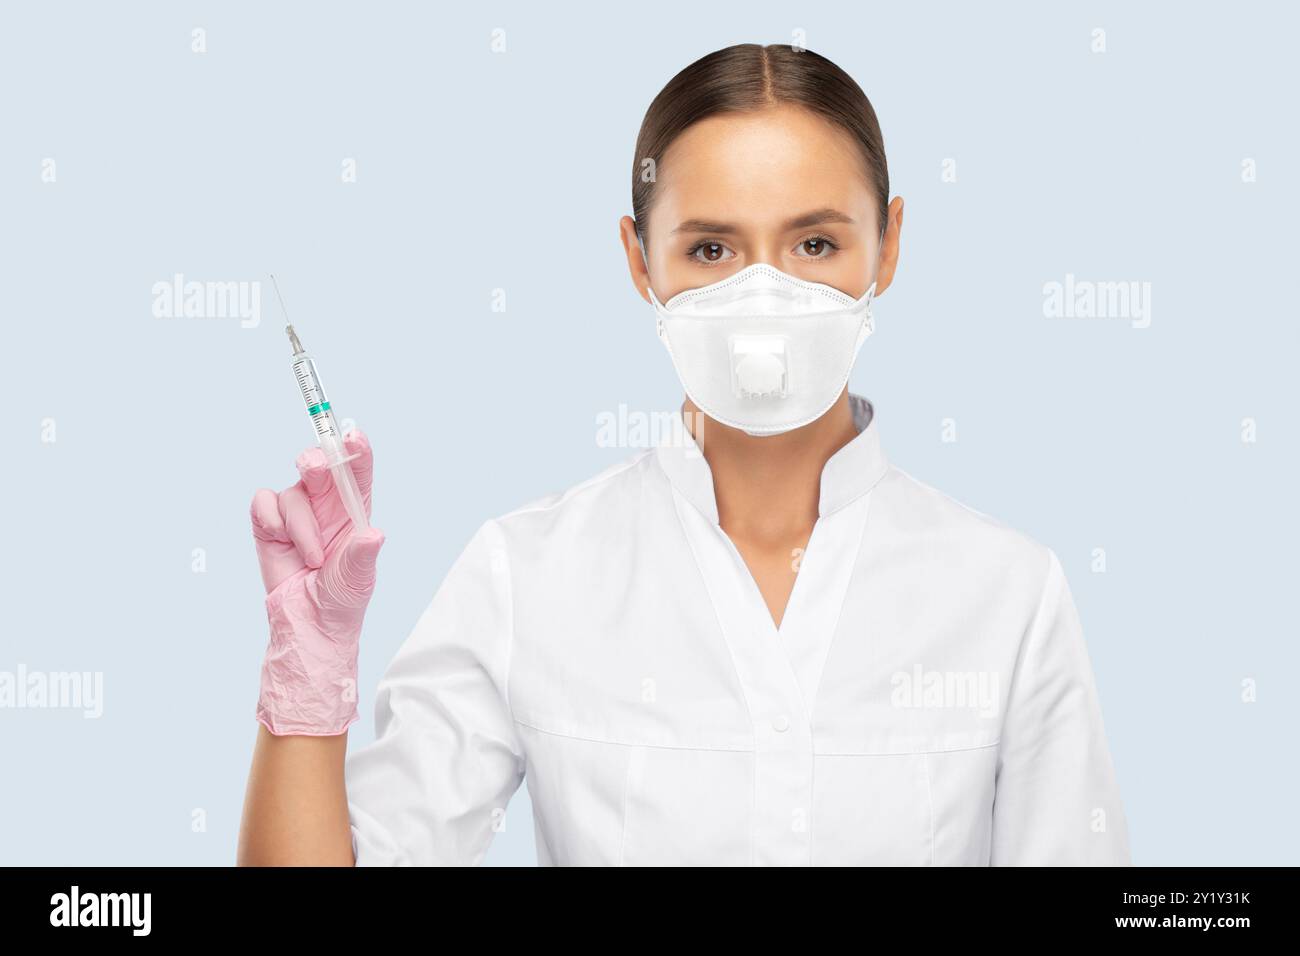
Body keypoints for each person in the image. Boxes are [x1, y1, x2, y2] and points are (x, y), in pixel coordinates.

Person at [237, 43, 1130, 866]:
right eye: (710, 248)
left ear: (888, 246)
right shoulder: (528, 575)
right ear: (639, 261)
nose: (763, 294)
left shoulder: (1008, 593)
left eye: (815, 243)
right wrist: (309, 687)